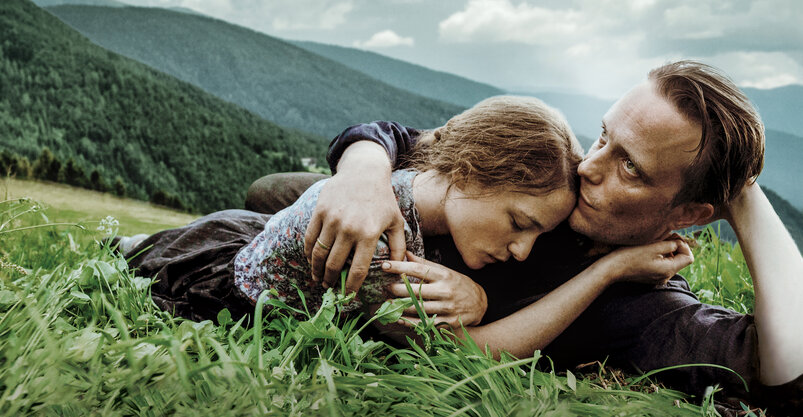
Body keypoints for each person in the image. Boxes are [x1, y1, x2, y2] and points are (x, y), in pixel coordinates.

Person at [245, 61, 803, 412]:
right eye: (604, 136)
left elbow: (787, 372)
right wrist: (361, 177)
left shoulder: (647, 304)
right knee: (270, 191)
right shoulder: (560, 187)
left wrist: (745, 197)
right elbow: (401, 137)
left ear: (688, 213)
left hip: (383, 309)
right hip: (367, 231)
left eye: (629, 168)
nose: (590, 167)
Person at [124, 96, 692, 356]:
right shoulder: (381, 243)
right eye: (519, 223)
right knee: (142, 255)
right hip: (215, 272)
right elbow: (470, 355)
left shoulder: (427, 189)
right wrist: (609, 271)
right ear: (469, 171)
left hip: (246, 241)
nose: (522, 250)